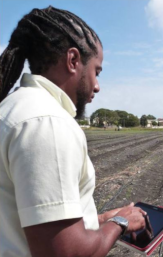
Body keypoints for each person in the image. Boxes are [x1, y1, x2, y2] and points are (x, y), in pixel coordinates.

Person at [0, 6, 146, 257]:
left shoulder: (13, 108)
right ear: (73, 60)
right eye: (96, 72)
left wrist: (99, 219)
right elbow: (65, 253)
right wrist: (120, 223)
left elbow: (27, 222)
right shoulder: (47, 123)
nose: (98, 86)